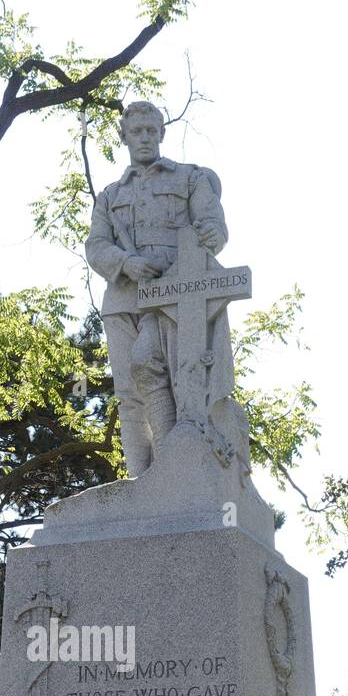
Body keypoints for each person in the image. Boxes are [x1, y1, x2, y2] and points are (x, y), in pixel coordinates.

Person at [85, 101, 227, 476]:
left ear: (162, 133)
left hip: (173, 294)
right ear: (124, 136)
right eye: (137, 131)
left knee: (165, 374)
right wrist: (126, 263)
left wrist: (213, 234)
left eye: (151, 130)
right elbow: (96, 246)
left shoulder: (190, 178)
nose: (145, 137)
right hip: (121, 300)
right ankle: (141, 478)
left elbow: (213, 225)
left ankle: (172, 469)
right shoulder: (110, 195)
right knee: (129, 396)